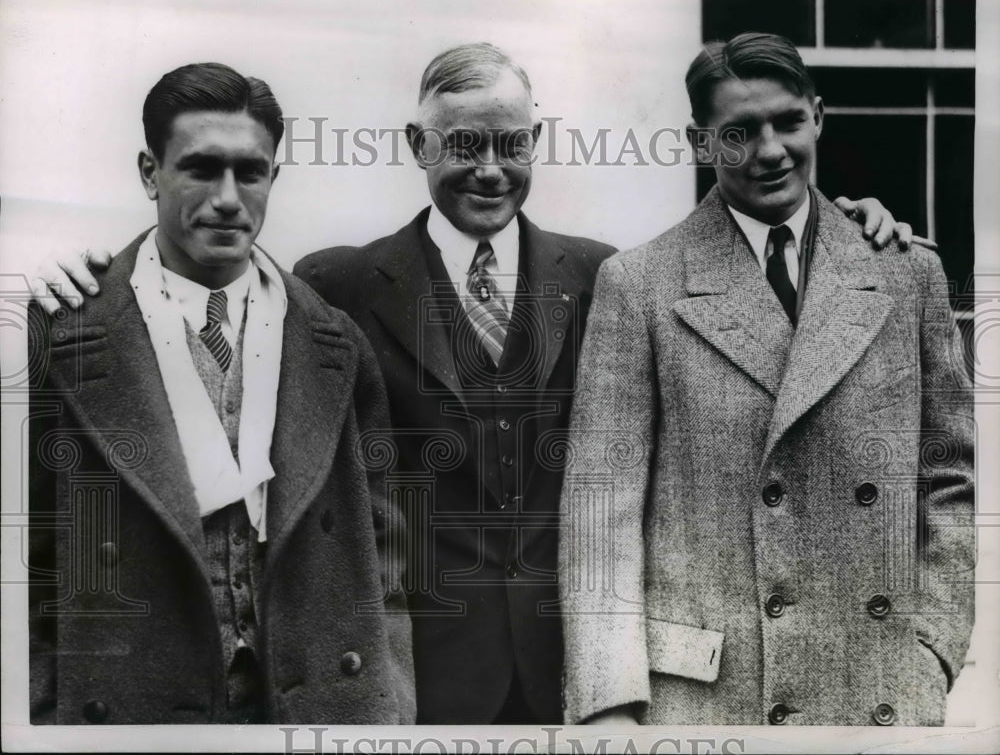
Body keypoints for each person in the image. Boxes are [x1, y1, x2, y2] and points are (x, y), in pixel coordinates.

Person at [29, 43, 910, 725]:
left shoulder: (605, 278)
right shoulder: (333, 290)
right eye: (461, 145)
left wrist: (858, 230)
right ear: (418, 146)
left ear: (535, 144)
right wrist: (78, 271)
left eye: (508, 144)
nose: (488, 168)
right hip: (413, 673)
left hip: (579, 670)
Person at [558, 32, 974, 727]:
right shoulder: (640, 285)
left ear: (818, 115)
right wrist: (609, 702)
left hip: (876, 684)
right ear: (701, 143)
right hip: (706, 701)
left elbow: (950, 480)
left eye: (786, 121)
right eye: (740, 132)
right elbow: (602, 511)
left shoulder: (908, 272)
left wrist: (930, 649)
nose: (771, 149)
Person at [28, 62, 414, 725]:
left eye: (251, 171)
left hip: (314, 707)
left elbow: (383, 562)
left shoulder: (335, 342)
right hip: (131, 714)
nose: (229, 197)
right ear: (150, 172)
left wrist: (391, 702)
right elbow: (27, 573)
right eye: (202, 169)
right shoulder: (60, 336)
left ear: (274, 177)